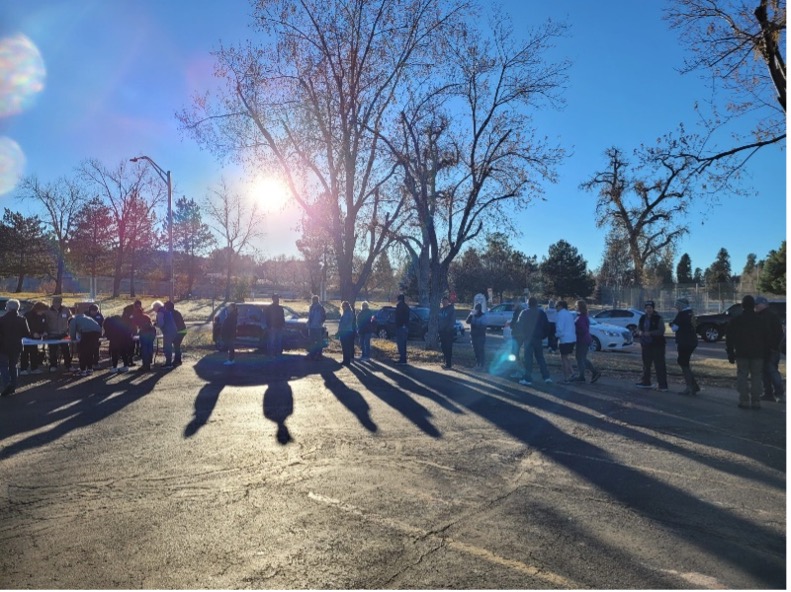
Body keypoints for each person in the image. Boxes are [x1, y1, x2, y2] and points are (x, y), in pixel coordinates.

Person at [726, 295, 769, 409]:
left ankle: (744, 399)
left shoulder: (736, 320)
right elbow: (766, 338)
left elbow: (730, 338)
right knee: (756, 376)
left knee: (742, 375)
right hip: (758, 353)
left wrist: (730, 352)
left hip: (742, 352)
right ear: (753, 305)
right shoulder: (761, 320)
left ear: (742, 305)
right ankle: (756, 401)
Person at [755, 296, 784, 403]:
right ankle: (769, 393)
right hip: (768, 349)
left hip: (770, 349)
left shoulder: (767, 316)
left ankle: (778, 393)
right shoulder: (769, 315)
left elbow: (773, 334)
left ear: (764, 304)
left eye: (757, 305)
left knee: (771, 371)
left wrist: (772, 347)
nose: (756, 307)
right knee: (765, 371)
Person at [517, 297, 552, 385]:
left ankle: (527, 378)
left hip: (528, 338)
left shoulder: (524, 313)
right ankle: (546, 377)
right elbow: (547, 326)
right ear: (536, 303)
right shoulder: (541, 313)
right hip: (538, 338)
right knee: (540, 358)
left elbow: (519, 326)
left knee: (528, 359)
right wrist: (543, 336)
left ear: (528, 304)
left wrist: (522, 336)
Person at [634, 300, 668, 392]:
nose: (648, 310)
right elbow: (638, 329)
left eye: (650, 308)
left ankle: (662, 385)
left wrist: (650, 333)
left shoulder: (658, 318)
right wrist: (639, 332)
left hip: (657, 345)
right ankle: (646, 382)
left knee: (659, 365)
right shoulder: (642, 318)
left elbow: (661, 331)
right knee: (646, 365)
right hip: (645, 344)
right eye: (647, 308)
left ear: (653, 308)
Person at [0, 299, 31, 396]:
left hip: (3, 346)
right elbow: (27, 333)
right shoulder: (22, 319)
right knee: (13, 366)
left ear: (8, 308)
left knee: (3, 366)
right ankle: (13, 386)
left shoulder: (1, 320)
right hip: (17, 346)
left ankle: (7, 383)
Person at [669, 297, 700, 396]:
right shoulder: (691, 313)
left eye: (677, 305)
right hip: (692, 341)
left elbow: (674, 328)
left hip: (684, 342)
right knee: (684, 362)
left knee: (683, 363)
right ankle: (694, 385)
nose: (676, 307)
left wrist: (671, 324)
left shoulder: (681, 314)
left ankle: (690, 387)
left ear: (681, 305)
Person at [573, 300, 601, 383]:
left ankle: (594, 372)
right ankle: (582, 375)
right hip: (584, 339)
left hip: (582, 340)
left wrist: (575, 330)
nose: (575, 307)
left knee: (581, 358)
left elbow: (583, 330)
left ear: (579, 307)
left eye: (576, 306)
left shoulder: (581, 318)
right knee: (580, 358)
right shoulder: (583, 316)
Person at [69, 308, 102, 376]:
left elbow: (72, 331)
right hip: (97, 333)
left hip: (87, 333)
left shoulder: (73, 320)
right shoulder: (87, 318)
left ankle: (83, 370)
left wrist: (73, 339)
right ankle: (90, 369)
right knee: (90, 352)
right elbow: (98, 326)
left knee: (83, 352)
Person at [44, 296, 73, 371]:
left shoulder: (66, 310)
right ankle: (53, 365)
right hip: (52, 334)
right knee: (53, 351)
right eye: (54, 302)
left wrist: (70, 330)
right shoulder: (48, 311)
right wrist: (46, 332)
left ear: (60, 303)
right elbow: (45, 323)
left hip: (63, 334)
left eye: (58, 302)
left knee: (66, 350)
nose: (56, 304)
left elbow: (70, 320)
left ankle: (68, 365)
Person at [20, 301, 48, 375]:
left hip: (36, 338)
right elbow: (24, 327)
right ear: (37, 309)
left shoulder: (43, 316)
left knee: (34, 352)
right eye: (42, 310)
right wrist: (32, 333)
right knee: (25, 353)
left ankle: (34, 368)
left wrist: (44, 332)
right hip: (27, 337)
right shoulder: (28, 315)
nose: (42, 312)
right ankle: (23, 369)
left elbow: (44, 325)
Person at [104, 306, 134, 373]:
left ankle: (114, 367)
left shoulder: (108, 323)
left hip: (115, 340)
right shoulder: (121, 321)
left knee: (114, 353)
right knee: (123, 352)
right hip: (124, 339)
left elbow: (108, 333)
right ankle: (125, 366)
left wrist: (108, 337)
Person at [554, 300, 576, 382]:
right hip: (572, 338)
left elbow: (560, 328)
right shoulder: (569, 314)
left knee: (563, 358)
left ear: (560, 306)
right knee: (566, 357)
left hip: (564, 339)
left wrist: (556, 335)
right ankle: (572, 372)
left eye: (556, 306)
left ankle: (566, 378)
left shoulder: (560, 315)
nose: (555, 308)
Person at [156, 301, 179, 369]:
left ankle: (168, 363)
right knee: (170, 347)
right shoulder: (167, 312)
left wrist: (156, 324)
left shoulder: (160, 313)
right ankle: (170, 362)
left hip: (168, 332)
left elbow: (161, 324)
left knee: (167, 347)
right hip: (174, 331)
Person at [165, 301, 187, 366]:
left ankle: (177, 360)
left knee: (176, 345)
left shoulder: (170, 313)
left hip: (179, 331)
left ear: (168, 307)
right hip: (183, 330)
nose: (165, 308)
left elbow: (171, 323)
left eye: (165, 307)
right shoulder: (176, 312)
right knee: (176, 345)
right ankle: (178, 360)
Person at [467, 302, 487, 370]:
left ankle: (482, 365)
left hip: (480, 336)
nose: (476, 310)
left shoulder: (483, 316)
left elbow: (483, 327)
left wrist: (475, 325)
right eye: (475, 308)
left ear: (480, 309)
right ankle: (478, 364)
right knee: (475, 351)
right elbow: (467, 321)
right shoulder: (473, 315)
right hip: (473, 335)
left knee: (480, 351)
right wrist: (471, 315)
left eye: (477, 309)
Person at [438, 296, 456, 369]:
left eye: (445, 302)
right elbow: (439, 320)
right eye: (443, 302)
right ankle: (445, 360)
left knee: (448, 347)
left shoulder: (451, 310)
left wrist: (448, 329)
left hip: (448, 332)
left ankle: (449, 363)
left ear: (448, 302)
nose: (444, 303)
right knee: (443, 347)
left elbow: (452, 321)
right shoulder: (441, 310)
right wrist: (439, 328)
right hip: (441, 332)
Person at [306, 295, 327, 360]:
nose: (313, 301)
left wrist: (320, 322)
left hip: (318, 327)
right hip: (312, 327)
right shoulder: (311, 307)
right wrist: (309, 323)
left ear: (317, 300)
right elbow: (309, 316)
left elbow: (324, 316)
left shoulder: (321, 307)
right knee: (312, 341)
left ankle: (319, 354)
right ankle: (312, 354)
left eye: (314, 300)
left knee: (319, 341)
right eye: (313, 300)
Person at [338, 301, 357, 365]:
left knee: (347, 347)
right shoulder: (344, 313)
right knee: (344, 347)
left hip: (347, 331)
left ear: (347, 306)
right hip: (343, 331)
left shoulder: (350, 313)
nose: (343, 308)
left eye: (344, 306)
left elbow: (348, 322)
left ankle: (347, 360)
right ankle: (345, 359)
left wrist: (342, 327)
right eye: (342, 306)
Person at [508, 302, 525, 377]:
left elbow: (513, 323)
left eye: (513, 305)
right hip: (522, 335)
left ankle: (517, 371)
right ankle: (519, 370)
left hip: (516, 335)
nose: (512, 306)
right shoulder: (523, 312)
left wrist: (510, 324)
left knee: (514, 353)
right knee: (517, 353)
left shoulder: (516, 313)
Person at [86, 304, 105, 371]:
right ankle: (89, 364)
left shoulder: (99, 316)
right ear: (90, 310)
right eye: (93, 311)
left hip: (97, 334)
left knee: (96, 349)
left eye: (96, 311)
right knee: (88, 350)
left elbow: (103, 324)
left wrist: (103, 332)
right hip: (88, 334)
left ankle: (96, 363)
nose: (94, 312)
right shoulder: (86, 315)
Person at [394, 294, 410, 365]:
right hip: (405, 327)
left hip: (400, 327)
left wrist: (399, 324)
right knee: (403, 344)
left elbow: (399, 317)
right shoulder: (406, 307)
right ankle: (403, 358)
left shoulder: (400, 307)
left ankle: (402, 359)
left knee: (400, 344)